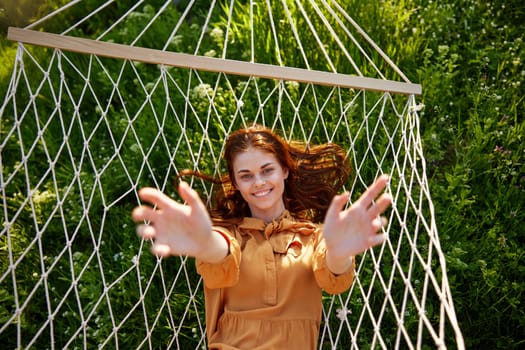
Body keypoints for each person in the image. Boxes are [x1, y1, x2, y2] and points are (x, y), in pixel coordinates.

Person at [131, 124, 392, 349]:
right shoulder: (231, 234)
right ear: (235, 182)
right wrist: (204, 242)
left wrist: (340, 251)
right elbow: (221, 251)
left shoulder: (313, 236)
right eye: (246, 176)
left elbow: (334, 276)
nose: (258, 182)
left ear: (285, 171)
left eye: (267, 170)